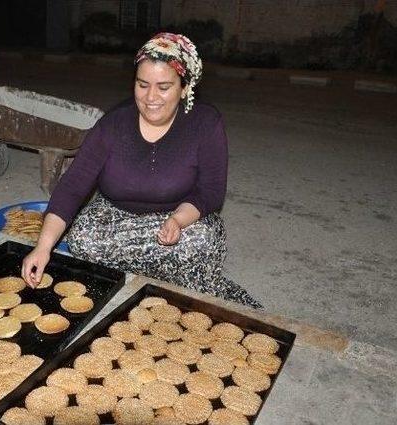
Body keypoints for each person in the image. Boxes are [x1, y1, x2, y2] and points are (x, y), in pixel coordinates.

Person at [22, 32, 261, 308]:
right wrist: (42, 248)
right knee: (82, 240)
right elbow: (73, 186)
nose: (150, 97)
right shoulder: (113, 125)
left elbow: (211, 192)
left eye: (164, 87)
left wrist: (178, 220)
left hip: (181, 216)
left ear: (184, 88)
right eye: (142, 84)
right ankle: (160, 277)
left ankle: (150, 279)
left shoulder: (205, 124)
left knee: (203, 239)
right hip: (118, 216)